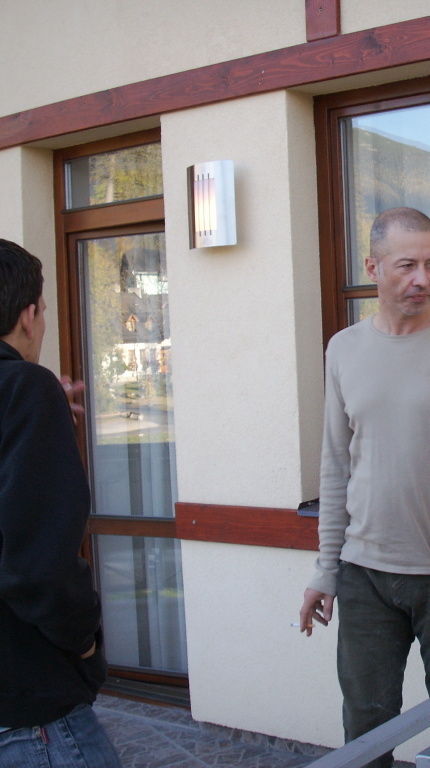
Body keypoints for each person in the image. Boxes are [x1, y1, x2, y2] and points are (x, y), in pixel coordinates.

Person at [299, 208, 430, 767]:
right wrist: (326, 569)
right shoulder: (344, 348)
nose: (423, 278)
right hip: (363, 576)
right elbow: (335, 466)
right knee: (366, 734)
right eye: (407, 265)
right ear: (372, 267)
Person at [0, 239, 122, 768]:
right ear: (28, 317)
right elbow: (38, 568)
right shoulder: (25, 389)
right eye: (45, 311)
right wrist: (85, 643)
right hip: (30, 712)